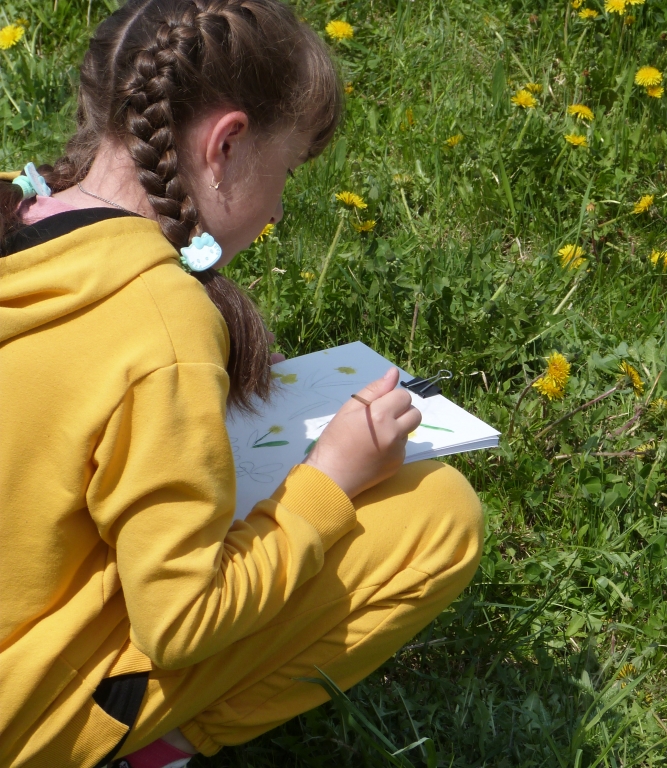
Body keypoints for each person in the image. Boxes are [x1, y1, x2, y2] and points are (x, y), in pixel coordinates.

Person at [0, 1, 483, 766]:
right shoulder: (161, 325)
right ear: (226, 144)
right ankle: (148, 752)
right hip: (21, 718)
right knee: (436, 516)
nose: (281, 208)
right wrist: (328, 482)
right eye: (286, 171)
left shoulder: (14, 210)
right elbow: (180, 623)